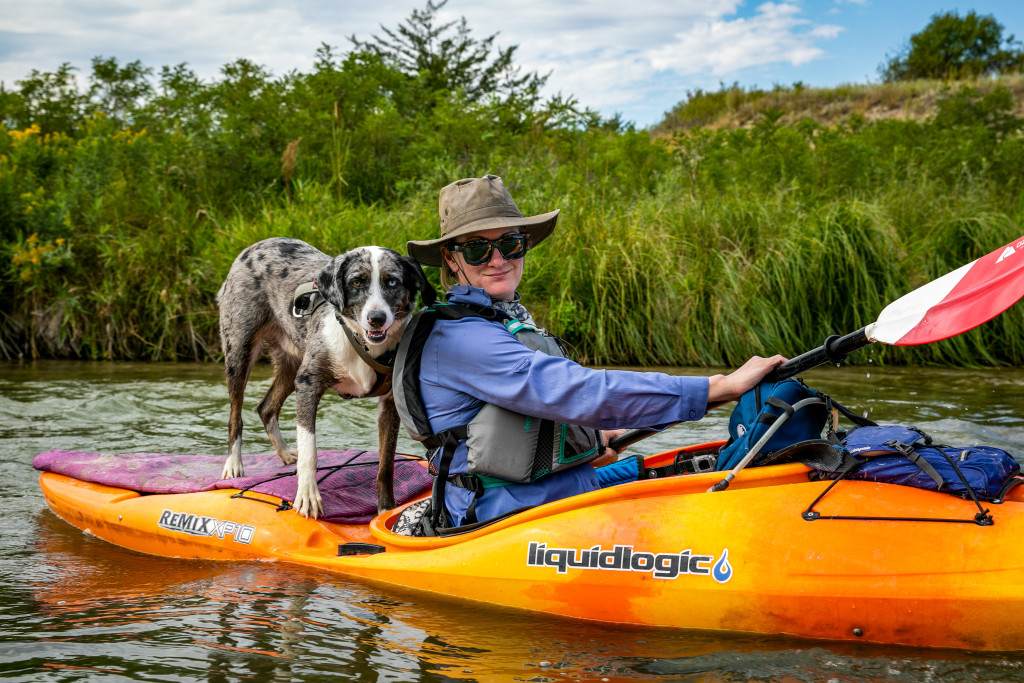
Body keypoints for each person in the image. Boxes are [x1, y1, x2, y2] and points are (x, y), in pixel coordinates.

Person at [396, 174, 784, 531]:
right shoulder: (460, 337)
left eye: (510, 243)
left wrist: (594, 442)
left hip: (568, 495)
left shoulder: (506, 321)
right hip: (502, 519)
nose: (498, 260)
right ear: (450, 258)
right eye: (478, 249)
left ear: (524, 244)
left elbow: (544, 417)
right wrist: (718, 387)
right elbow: (569, 389)